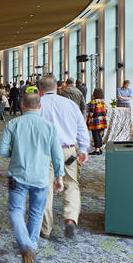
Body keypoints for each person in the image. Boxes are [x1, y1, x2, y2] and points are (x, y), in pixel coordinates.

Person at [0, 93, 64, 263]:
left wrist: (16, 153)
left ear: (22, 105)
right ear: (39, 106)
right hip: (41, 178)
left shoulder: (13, 124)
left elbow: (2, 151)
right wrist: (59, 177)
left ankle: (25, 245)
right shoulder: (49, 127)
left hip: (16, 177)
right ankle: (32, 245)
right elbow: (57, 155)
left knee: (15, 211)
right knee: (36, 212)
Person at [38, 75, 90, 239]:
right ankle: (70, 219)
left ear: (40, 90)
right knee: (71, 185)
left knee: (45, 189)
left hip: (46, 152)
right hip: (68, 152)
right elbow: (82, 128)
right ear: (57, 88)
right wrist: (83, 149)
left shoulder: (37, 106)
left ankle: (46, 229)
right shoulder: (70, 105)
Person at [86, 88, 107, 155]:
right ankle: (100, 148)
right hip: (102, 120)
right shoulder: (102, 101)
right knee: (99, 135)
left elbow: (92, 111)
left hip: (95, 120)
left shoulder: (93, 101)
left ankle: (97, 150)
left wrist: (89, 119)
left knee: (95, 135)